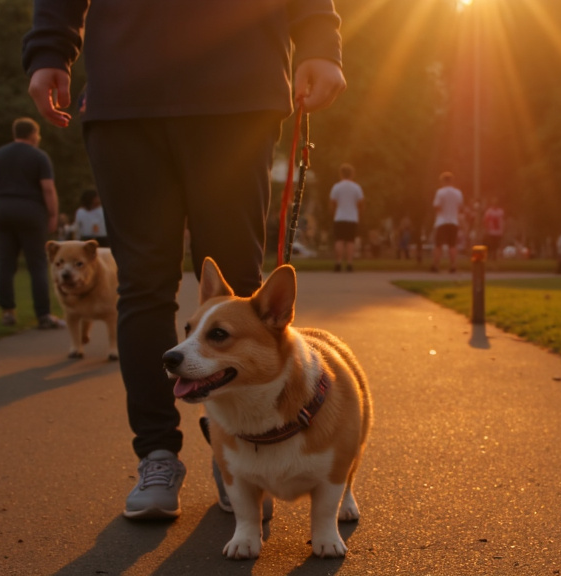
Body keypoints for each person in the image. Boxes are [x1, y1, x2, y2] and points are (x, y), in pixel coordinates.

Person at [24, 1, 346, 521]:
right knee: (144, 287)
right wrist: (48, 48)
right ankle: (157, 455)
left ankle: (238, 458)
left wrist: (319, 41)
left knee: (239, 288)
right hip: (126, 95)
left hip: (237, 88)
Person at [0, 117, 66, 328]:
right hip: (31, 212)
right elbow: (47, 188)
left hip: (3, 210)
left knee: (5, 264)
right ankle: (43, 315)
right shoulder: (39, 156)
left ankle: (8, 312)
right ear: (34, 134)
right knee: (37, 265)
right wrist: (53, 214)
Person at [329, 163, 362, 272]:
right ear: (352, 174)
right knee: (350, 241)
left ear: (341, 174)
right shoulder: (356, 187)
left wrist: (334, 211)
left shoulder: (337, 187)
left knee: (339, 240)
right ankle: (349, 263)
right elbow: (361, 202)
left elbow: (332, 202)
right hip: (352, 217)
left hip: (340, 217)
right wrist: (358, 211)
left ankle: (338, 263)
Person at [431, 172, 464, 273]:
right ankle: (453, 265)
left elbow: (437, 206)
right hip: (453, 221)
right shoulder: (458, 193)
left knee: (438, 245)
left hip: (441, 221)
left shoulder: (440, 192)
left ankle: (436, 265)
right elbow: (460, 206)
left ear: (443, 181)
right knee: (452, 245)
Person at [482, 197, 505, 261]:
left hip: (498, 231)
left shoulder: (500, 211)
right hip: (491, 231)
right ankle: (491, 256)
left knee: (496, 244)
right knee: (491, 245)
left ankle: (495, 256)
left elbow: (502, 221)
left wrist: (503, 229)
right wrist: (486, 229)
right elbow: (486, 220)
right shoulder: (489, 212)